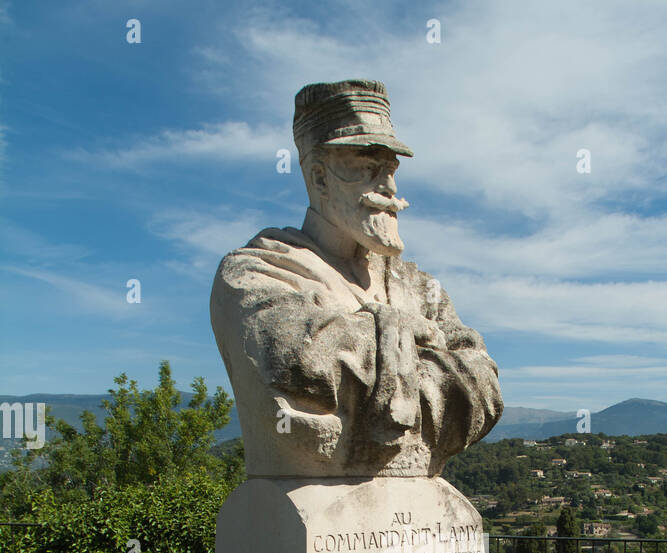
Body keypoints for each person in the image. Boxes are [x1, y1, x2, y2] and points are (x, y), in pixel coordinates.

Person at [210, 79, 503, 478]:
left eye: (391, 169)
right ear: (319, 177)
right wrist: (418, 337)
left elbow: (483, 383)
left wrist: (381, 344)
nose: (390, 188)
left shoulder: (419, 287)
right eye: (368, 168)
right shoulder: (258, 272)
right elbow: (310, 366)